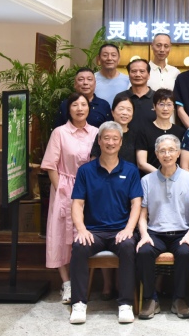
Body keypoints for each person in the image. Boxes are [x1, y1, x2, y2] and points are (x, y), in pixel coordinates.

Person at [69, 121, 142, 324]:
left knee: (128, 246)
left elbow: (136, 204)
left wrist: (129, 229)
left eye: (115, 139)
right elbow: (77, 204)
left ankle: (125, 304)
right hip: (94, 232)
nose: (110, 142)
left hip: (121, 230)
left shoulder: (131, 170)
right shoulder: (85, 171)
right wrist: (81, 229)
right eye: (106, 138)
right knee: (79, 246)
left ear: (121, 142)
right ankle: (79, 304)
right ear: (99, 141)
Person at [41, 93, 99, 304]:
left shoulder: (96, 132)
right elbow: (50, 166)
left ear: (89, 108)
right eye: (75, 105)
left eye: (84, 104)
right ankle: (67, 284)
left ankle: (81, 282)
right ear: (68, 109)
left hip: (90, 189)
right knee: (60, 236)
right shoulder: (59, 132)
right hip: (65, 188)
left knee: (82, 235)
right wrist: (61, 191)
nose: (80, 108)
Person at [137, 134, 189, 320]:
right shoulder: (147, 180)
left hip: (182, 232)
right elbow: (142, 215)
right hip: (155, 233)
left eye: (171, 150)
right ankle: (151, 299)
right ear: (156, 154)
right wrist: (144, 235)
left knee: (185, 252)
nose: (167, 154)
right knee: (144, 251)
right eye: (162, 151)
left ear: (179, 153)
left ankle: (179, 299)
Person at [136, 88, 186, 175]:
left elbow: (182, 162)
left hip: (175, 178)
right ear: (154, 106)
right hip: (151, 177)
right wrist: (161, 175)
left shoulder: (180, 132)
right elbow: (141, 163)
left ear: (173, 107)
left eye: (169, 105)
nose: (165, 108)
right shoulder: (144, 130)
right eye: (161, 104)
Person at [91, 95, 137, 165]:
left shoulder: (135, 135)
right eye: (121, 109)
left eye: (129, 110)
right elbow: (94, 160)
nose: (125, 113)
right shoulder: (103, 133)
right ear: (112, 112)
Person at [113, 58, 155, 129]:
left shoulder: (157, 98)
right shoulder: (120, 97)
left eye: (142, 71)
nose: (137, 75)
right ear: (129, 75)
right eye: (134, 71)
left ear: (148, 75)